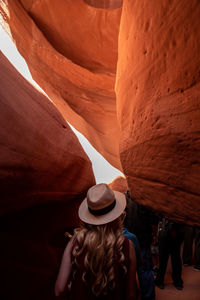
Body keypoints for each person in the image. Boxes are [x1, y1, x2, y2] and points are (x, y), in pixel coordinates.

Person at [55, 183, 138, 299]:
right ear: (116, 215)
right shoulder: (127, 245)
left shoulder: (75, 242)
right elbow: (131, 295)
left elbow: (59, 290)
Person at [124, 190, 157, 300]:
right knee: (145, 270)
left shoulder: (124, 198)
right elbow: (153, 222)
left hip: (129, 241)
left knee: (131, 270)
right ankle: (148, 296)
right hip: (142, 240)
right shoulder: (144, 199)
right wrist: (154, 236)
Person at [155, 217, 184, 290]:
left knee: (175, 258)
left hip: (175, 231)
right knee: (163, 258)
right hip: (164, 232)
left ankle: (177, 281)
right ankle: (160, 280)